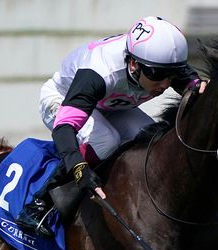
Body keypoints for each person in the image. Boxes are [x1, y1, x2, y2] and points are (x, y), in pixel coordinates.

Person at [19, 16, 205, 236]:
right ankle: (40, 203)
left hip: (109, 104)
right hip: (62, 98)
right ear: (133, 64)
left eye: (172, 74)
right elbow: (64, 129)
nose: (165, 84)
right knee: (106, 140)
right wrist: (78, 167)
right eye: (158, 75)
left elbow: (195, 86)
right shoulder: (98, 73)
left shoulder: (156, 61)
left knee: (150, 138)